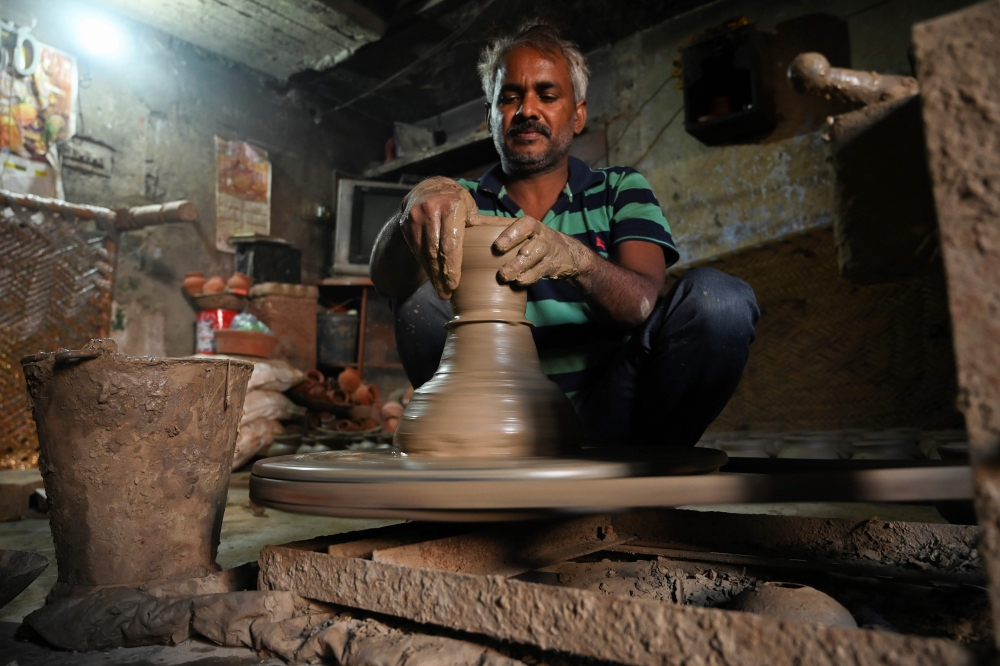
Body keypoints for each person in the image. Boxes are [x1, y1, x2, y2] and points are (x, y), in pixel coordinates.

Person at [370, 20, 759, 448]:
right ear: (490, 118)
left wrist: (579, 261)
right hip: (501, 420)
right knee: (418, 299)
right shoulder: (460, 201)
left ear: (578, 115)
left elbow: (642, 305)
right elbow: (388, 280)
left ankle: (647, 472)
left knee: (719, 300)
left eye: (547, 95)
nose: (527, 110)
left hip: (614, 415)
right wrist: (415, 203)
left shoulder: (619, 189)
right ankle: (458, 447)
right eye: (510, 98)